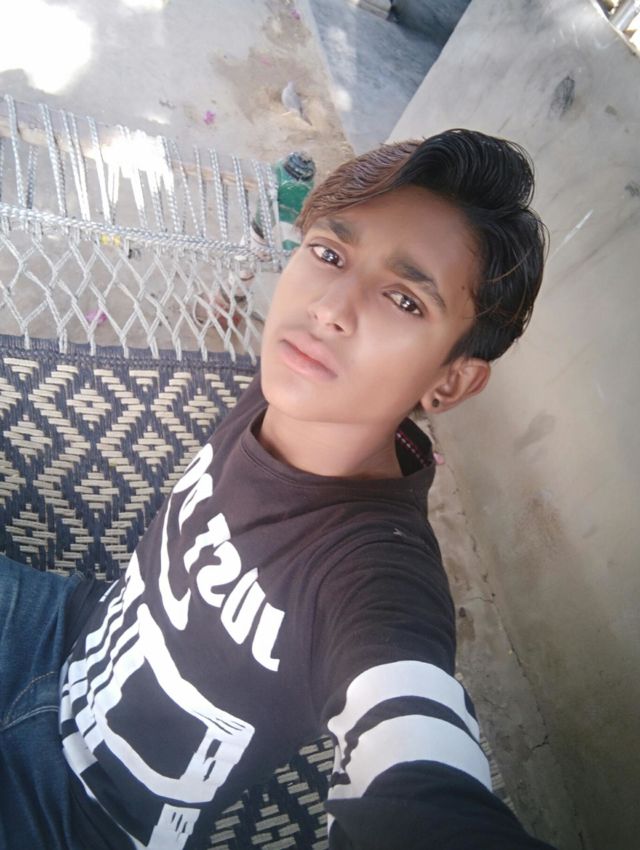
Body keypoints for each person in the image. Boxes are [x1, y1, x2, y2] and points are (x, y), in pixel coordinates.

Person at [0, 129, 556, 850]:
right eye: (329, 254)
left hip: (79, 814)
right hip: (63, 629)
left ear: (451, 381)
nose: (331, 307)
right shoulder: (286, 389)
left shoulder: (375, 580)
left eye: (404, 299)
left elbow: (416, 780)